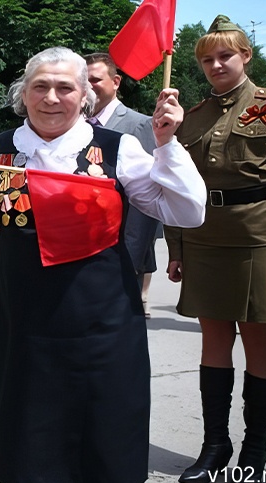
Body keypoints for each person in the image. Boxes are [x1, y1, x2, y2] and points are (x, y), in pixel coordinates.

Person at [0, 47, 206, 483]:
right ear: (24, 94)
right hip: (21, 316)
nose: (51, 97)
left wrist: (167, 145)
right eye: (40, 86)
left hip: (101, 318)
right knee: (27, 427)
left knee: (101, 426)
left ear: (85, 95)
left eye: (64, 87)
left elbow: (186, 211)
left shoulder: (117, 147)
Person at [165, 15, 266, 483]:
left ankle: (253, 454)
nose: (215, 65)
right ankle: (215, 446)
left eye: (224, 56)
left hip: (260, 236)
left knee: (259, 341)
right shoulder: (191, 117)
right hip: (203, 236)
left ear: (246, 56)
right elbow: (177, 186)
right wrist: (176, 245)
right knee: (213, 341)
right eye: (206, 59)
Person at [84, 52, 160, 316]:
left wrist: (132, 257)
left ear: (116, 82)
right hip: (81, 248)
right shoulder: (73, 125)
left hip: (120, 251)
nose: (88, 85)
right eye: (83, 79)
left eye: (95, 79)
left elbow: (146, 199)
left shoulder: (139, 125)